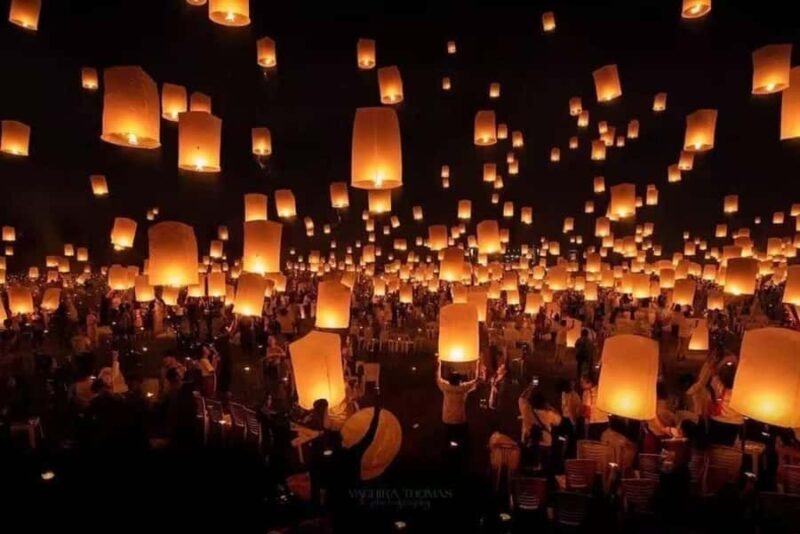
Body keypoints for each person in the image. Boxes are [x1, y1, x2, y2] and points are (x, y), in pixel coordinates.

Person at [436, 360, 477, 447]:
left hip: (447, 419)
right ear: (460, 381)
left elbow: (438, 378)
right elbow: (476, 381)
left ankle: (448, 451)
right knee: (462, 441)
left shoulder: (446, 387)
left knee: (447, 441)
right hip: (460, 420)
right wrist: (477, 364)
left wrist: (439, 364)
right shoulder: (463, 388)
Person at [580, 374, 608, 440]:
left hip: (600, 421)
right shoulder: (585, 393)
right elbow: (585, 409)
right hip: (593, 422)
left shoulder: (600, 390)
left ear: (590, 382)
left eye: (582, 382)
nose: (581, 384)